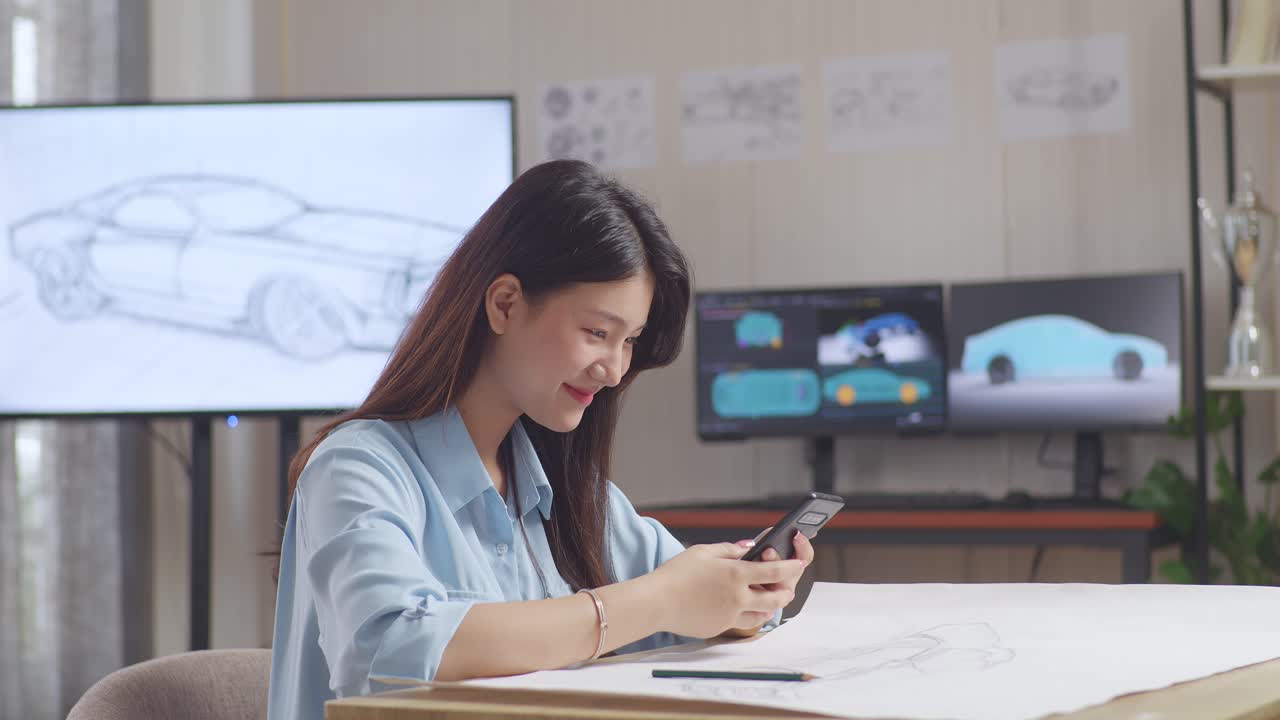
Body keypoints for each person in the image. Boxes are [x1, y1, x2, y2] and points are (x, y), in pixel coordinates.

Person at [267, 160, 814, 720]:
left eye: (630, 341)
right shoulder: (356, 467)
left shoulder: (567, 492)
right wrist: (660, 600)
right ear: (504, 304)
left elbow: (690, 605)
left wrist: (745, 594)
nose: (614, 370)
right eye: (597, 333)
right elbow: (388, 651)